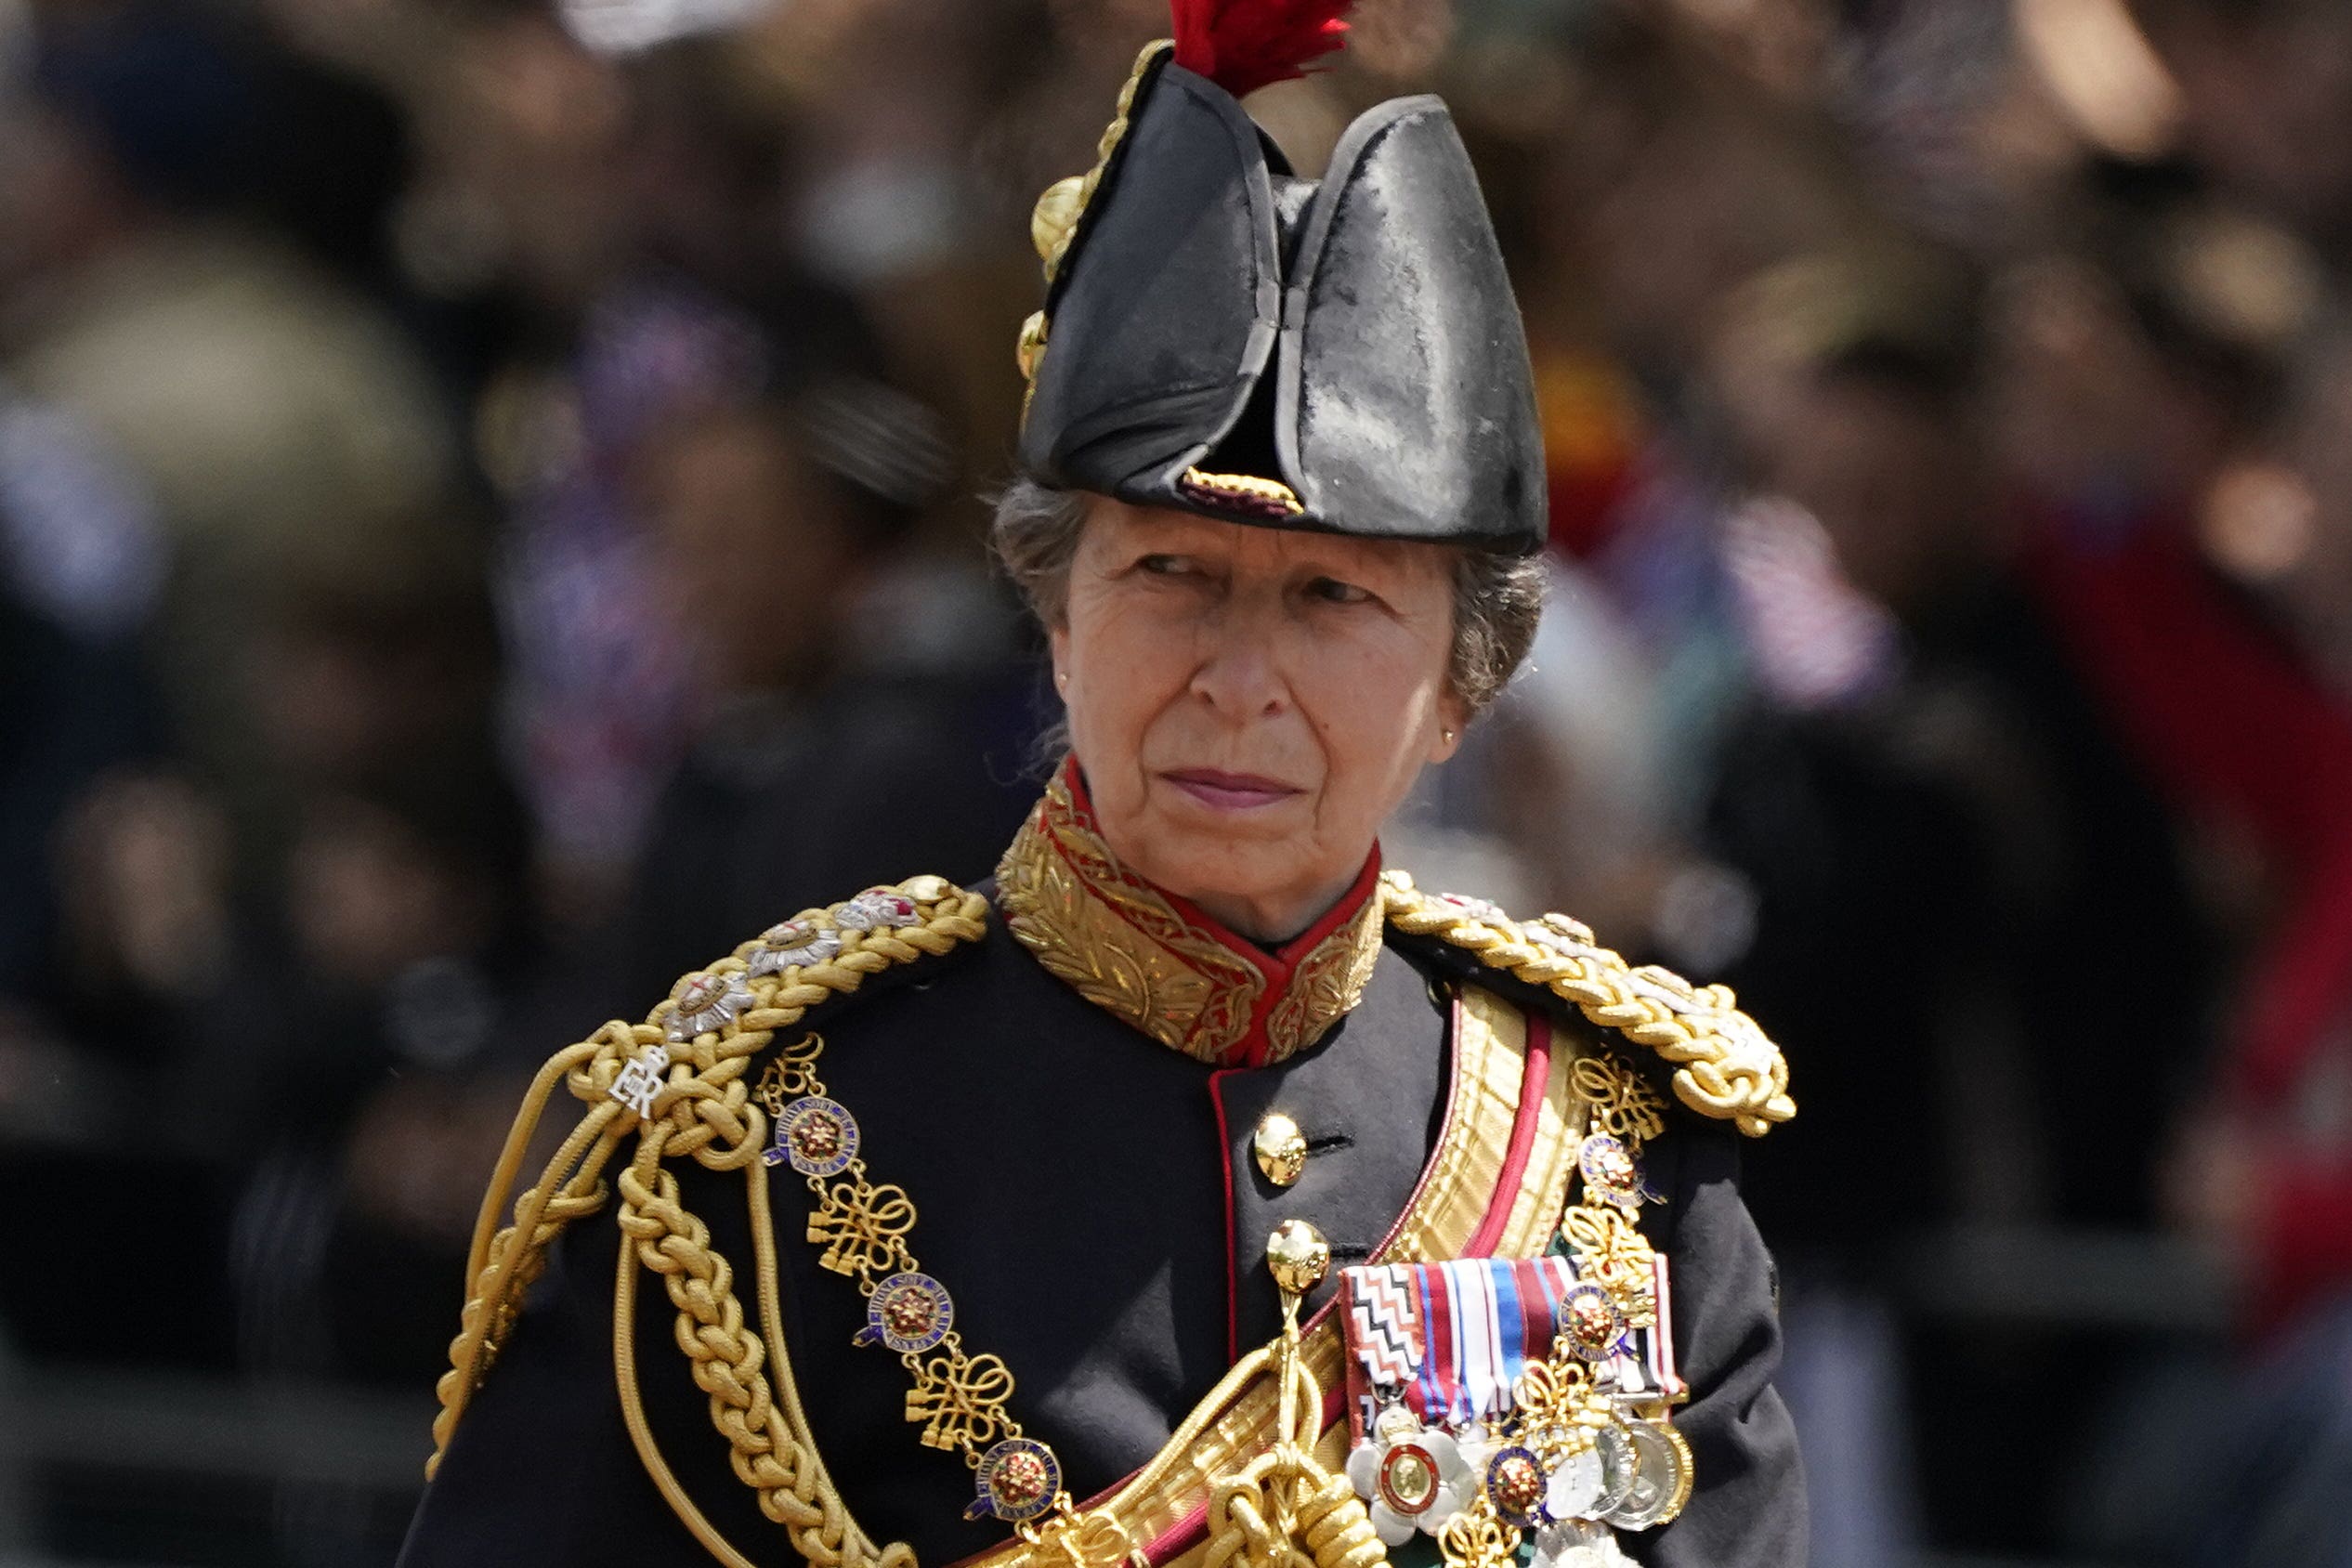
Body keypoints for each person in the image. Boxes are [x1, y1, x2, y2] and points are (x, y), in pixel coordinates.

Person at [397, 7, 1802, 1567]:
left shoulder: (1617, 1154)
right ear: (1055, 622)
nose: (1238, 677)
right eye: (1173, 578)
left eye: (1333, 600)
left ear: (1464, 688)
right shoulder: (748, 1148)